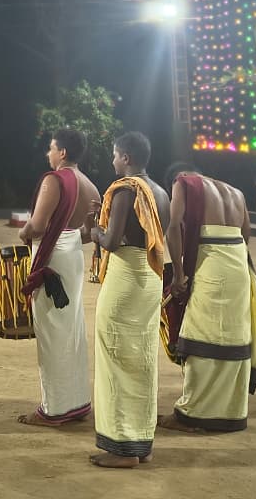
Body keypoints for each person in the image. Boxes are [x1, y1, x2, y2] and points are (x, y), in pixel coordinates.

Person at [159, 163, 256, 433]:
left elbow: (173, 226)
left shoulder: (183, 183)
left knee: (201, 333)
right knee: (232, 336)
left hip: (212, 264)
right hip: (238, 266)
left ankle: (192, 414)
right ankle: (230, 412)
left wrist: (179, 274)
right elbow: (246, 235)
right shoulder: (235, 192)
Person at [85, 131, 169, 468]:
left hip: (126, 279)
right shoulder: (160, 192)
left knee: (115, 357)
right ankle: (141, 442)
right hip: (150, 278)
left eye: (115, 155)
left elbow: (111, 242)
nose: (113, 161)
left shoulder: (126, 190)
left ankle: (122, 448)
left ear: (127, 158)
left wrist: (95, 230)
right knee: (142, 358)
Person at [16, 127, 99, 427]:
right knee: (71, 329)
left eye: (51, 148)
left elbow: (38, 226)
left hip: (53, 257)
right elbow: (90, 233)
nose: (48, 153)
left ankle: (54, 409)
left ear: (62, 152)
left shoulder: (55, 180)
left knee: (52, 333)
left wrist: (23, 233)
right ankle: (76, 402)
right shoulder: (90, 186)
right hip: (72, 255)